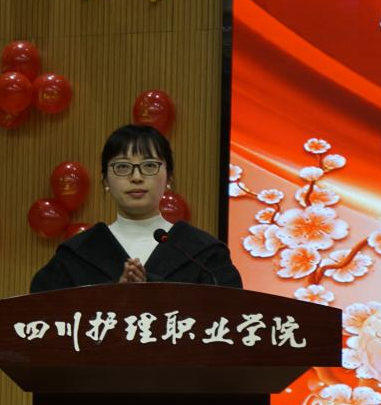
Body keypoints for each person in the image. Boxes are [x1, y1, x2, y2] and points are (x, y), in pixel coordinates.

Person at [30, 124, 242, 292]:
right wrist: (114, 293)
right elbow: (41, 312)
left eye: (149, 165)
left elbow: (232, 315)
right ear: (105, 180)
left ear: (169, 177)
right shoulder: (77, 254)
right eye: (122, 167)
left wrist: (152, 290)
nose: (136, 177)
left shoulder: (201, 253)